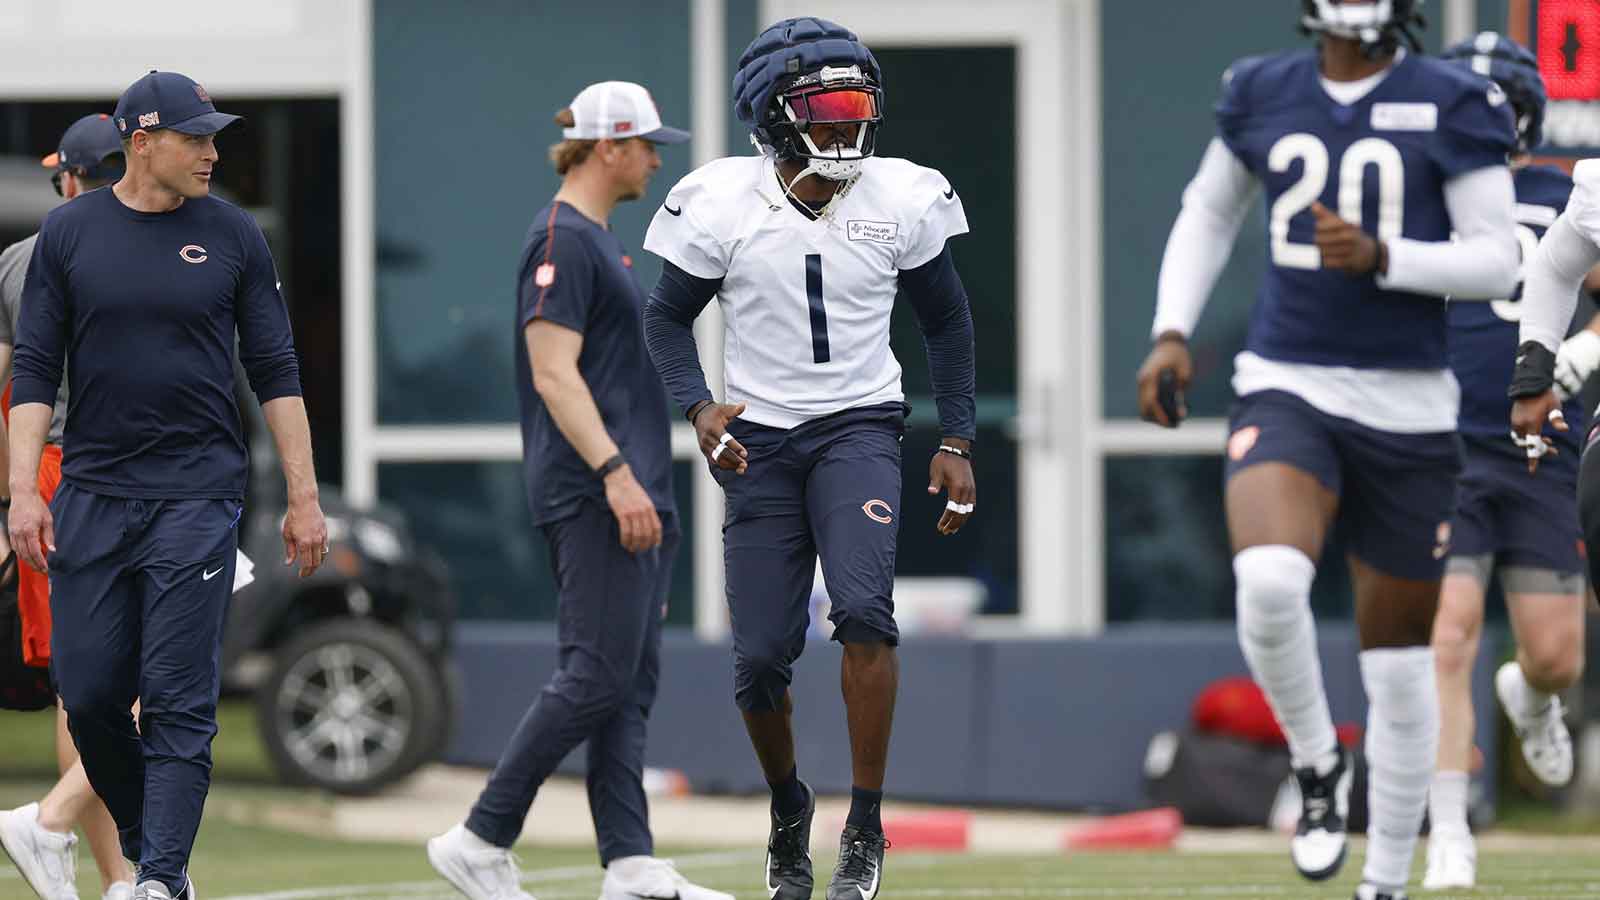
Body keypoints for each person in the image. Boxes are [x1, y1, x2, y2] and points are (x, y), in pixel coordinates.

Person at [1134, 2, 1519, 898]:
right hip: (1290, 380)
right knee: (1269, 581)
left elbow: (1499, 262)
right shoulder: (1263, 89)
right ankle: (1315, 767)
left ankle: (1384, 879)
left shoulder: (1452, 98)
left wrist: (1389, 256)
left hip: (1412, 405)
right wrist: (1170, 330)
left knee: (1398, 665)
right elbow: (1208, 212)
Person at [642, 17, 978, 900]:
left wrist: (957, 435)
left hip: (860, 426)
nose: (845, 127)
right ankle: (789, 810)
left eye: (857, 107)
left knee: (866, 613)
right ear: (774, 114)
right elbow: (665, 317)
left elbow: (946, 318)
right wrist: (698, 405)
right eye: (825, 110)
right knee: (758, 658)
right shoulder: (722, 199)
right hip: (761, 439)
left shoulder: (901, 196)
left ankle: (864, 828)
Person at [8, 70, 328, 900]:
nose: (214, 153)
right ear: (141, 142)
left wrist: (304, 496)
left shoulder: (233, 236)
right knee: (89, 694)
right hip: (94, 495)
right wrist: (23, 490)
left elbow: (276, 368)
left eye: (215, 137)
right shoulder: (69, 233)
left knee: (181, 698)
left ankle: (156, 878)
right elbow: (35, 370)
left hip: (199, 496)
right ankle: (162, 861)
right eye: (197, 138)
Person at [424, 82, 731, 900]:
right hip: (598, 493)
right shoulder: (559, 238)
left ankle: (629, 863)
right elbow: (553, 375)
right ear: (608, 148)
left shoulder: (598, 241)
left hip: (632, 492)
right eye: (647, 144)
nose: (657, 159)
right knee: (594, 673)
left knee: (629, 681)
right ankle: (481, 835)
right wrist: (616, 474)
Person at [1424, 33, 1600, 892]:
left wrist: (1583, 352)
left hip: (1541, 445)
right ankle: (1451, 826)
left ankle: (1529, 698)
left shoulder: (1564, 187)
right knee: (1448, 632)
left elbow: (1585, 287)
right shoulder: (1423, 196)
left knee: (1557, 658)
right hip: (1441, 444)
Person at [0, 112, 136, 900]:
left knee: (80, 680)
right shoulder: (147, 243)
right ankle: (65, 836)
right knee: (150, 678)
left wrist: (14, 491)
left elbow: (6, 389)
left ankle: (114, 872)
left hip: (58, 468)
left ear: (69, 178)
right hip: (107, 470)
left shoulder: (19, 257)